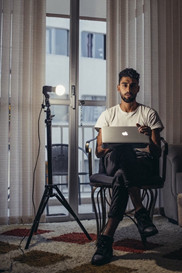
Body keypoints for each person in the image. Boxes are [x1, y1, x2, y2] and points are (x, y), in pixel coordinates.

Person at [91, 68, 164, 266]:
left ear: (138, 88)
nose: (128, 88)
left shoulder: (148, 114)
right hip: (112, 161)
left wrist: (148, 136)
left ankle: (105, 240)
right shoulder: (108, 115)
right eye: (125, 84)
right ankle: (140, 211)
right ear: (118, 87)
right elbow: (98, 151)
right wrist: (112, 146)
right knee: (122, 152)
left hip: (141, 164)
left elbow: (157, 153)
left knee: (122, 174)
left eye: (132, 85)